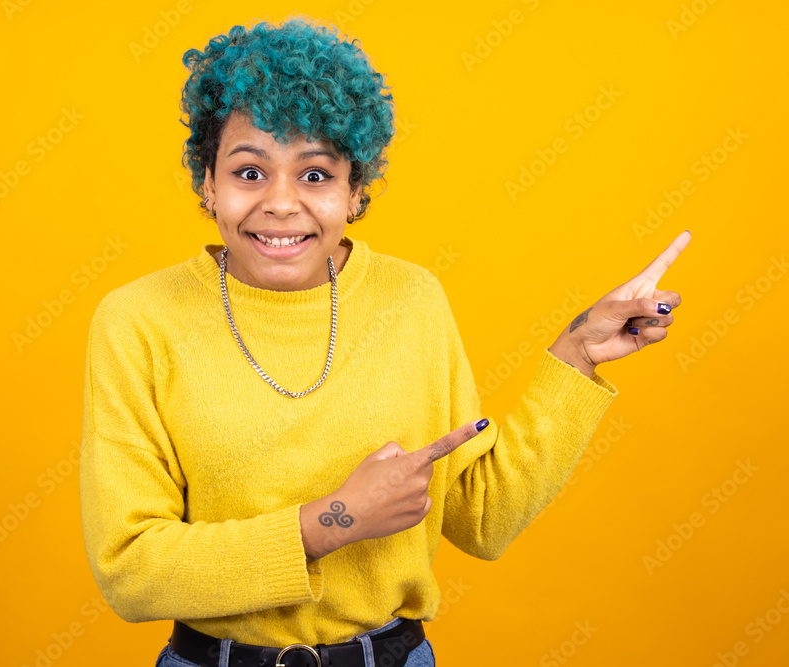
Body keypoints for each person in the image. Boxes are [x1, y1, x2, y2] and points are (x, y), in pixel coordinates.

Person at [78, 15, 691, 667]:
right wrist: (336, 517)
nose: (281, 203)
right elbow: (131, 568)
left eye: (315, 175)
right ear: (208, 181)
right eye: (250, 173)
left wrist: (580, 353)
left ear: (356, 190)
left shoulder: (411, 299)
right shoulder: (137, 321)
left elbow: (482, 517)